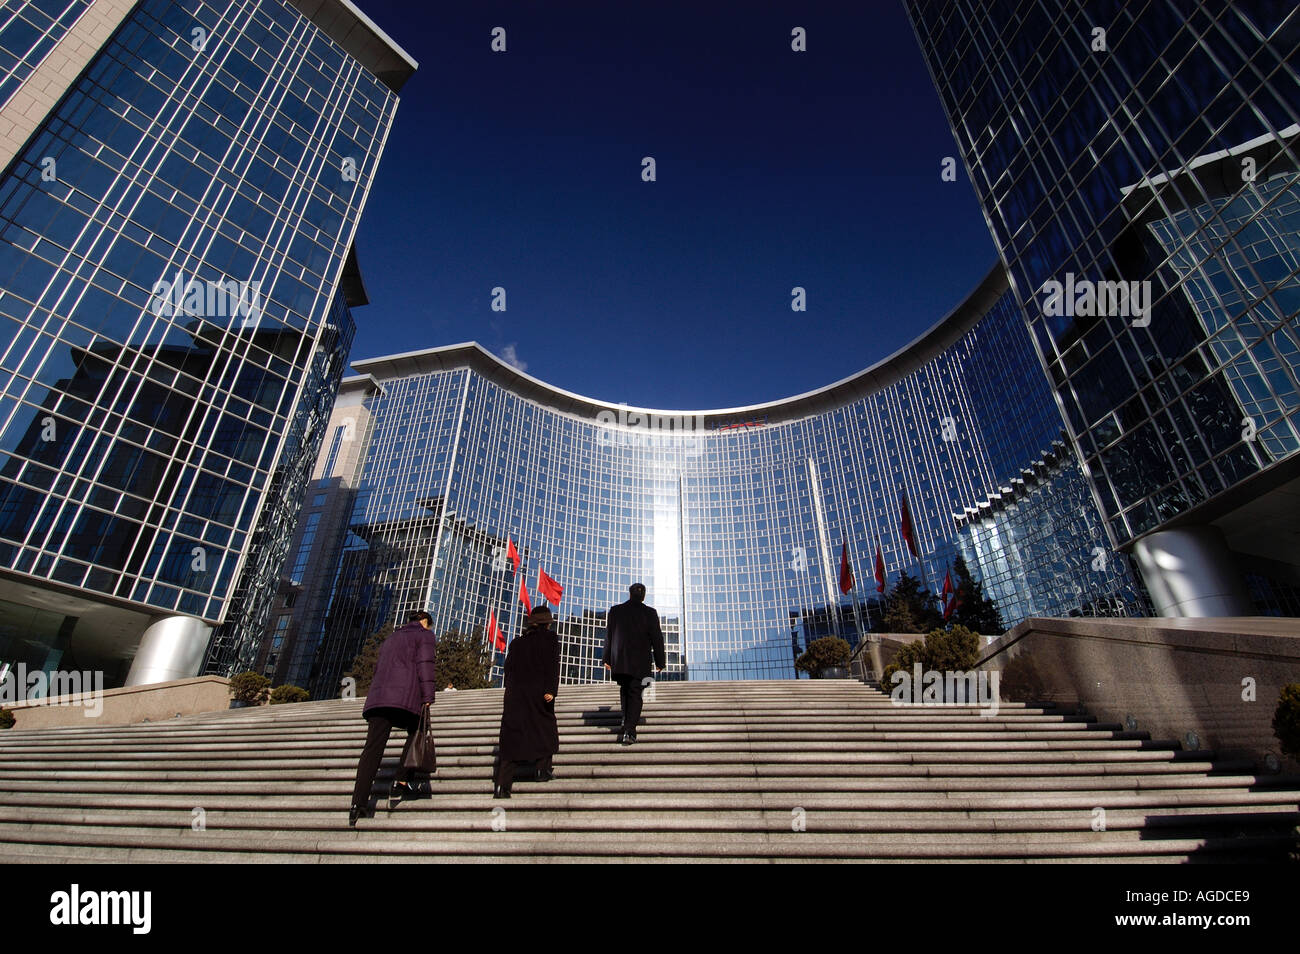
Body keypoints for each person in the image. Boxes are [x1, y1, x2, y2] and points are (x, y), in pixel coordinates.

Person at [348, 610, 438, 826]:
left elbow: (380, 667)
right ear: (425, 622)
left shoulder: (392, 637)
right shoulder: (424, 636)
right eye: (430, 625)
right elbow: (425, 665)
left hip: (379, 698)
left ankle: (357, 804)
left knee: (372, 750)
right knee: (418, 731)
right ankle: (401, 779)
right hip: (405, 697)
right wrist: (428, 697)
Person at [494, 605, 560, 798]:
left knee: (512, 735)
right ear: (547, 623)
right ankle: (542, 770)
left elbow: (509, 668)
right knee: (545, 728)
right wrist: (551, 689)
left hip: (516, 694)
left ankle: (502, 785)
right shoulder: (550, 639)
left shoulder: (516, 642)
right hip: (539, 692)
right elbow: (552, 664)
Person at [602, 582, 665, 744]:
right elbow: (657, 638)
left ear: (630, 594)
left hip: (620, 660)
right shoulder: (650, 613)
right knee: (635, 693)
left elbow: (609, 635)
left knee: (625, 689)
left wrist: (607, 658)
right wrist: (660, 661)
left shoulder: (616, 611)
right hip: (640, 661)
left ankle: (626, 719)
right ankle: (630, 730)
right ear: (643, 596)